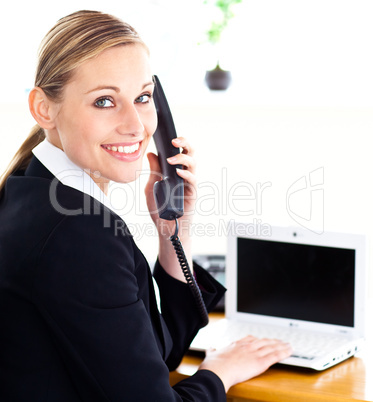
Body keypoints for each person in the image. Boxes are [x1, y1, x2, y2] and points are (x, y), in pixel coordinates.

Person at [0, 10, 291, 402]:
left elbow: (152, 352)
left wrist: (174, 232)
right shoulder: (79, 235)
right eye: (104, 101)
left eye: (142, 97)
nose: (136, 125)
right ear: (43, 109)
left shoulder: (26, 189)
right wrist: (219, 373)